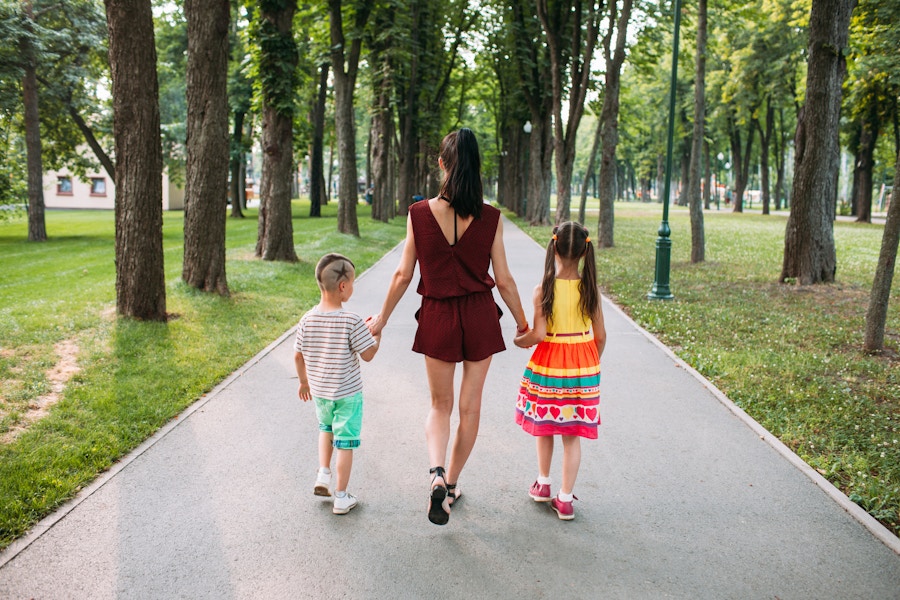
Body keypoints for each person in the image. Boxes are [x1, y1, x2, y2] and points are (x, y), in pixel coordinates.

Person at [366, 128, 529, 526]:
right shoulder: (490, 218)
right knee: (469, 409)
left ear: (441, 163)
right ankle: (452, 485)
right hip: (479, 317)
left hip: (437, 315)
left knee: (439, 406)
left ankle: (435, 472)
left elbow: (404, 273)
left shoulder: (419, 214)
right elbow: (504, 279)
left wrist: (382, 320)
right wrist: (524, 322)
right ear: (477, 167)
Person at [513, 222, 606, 521]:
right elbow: (600, 336)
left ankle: (543, 483)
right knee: (572, 435)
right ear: (584, 251)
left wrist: (519, 340)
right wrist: (590, 363)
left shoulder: (544, 289)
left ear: (553, 247)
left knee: (546, 424)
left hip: (549, 364)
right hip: (582, 366)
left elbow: (538, 334)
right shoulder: (590, 290)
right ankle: (565, 499)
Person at [294, 253, 381, 515]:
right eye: (352, 283)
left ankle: (323, 474)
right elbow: (368, 354)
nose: (352, 288)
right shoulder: (351, 321)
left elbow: (298, 355)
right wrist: (376, 333)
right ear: (343, 287)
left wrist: (304, 383)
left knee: (325, 429)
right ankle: (341, 497)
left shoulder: (307, 319)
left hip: (320, 392)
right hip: (347, 395)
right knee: (345, 442)